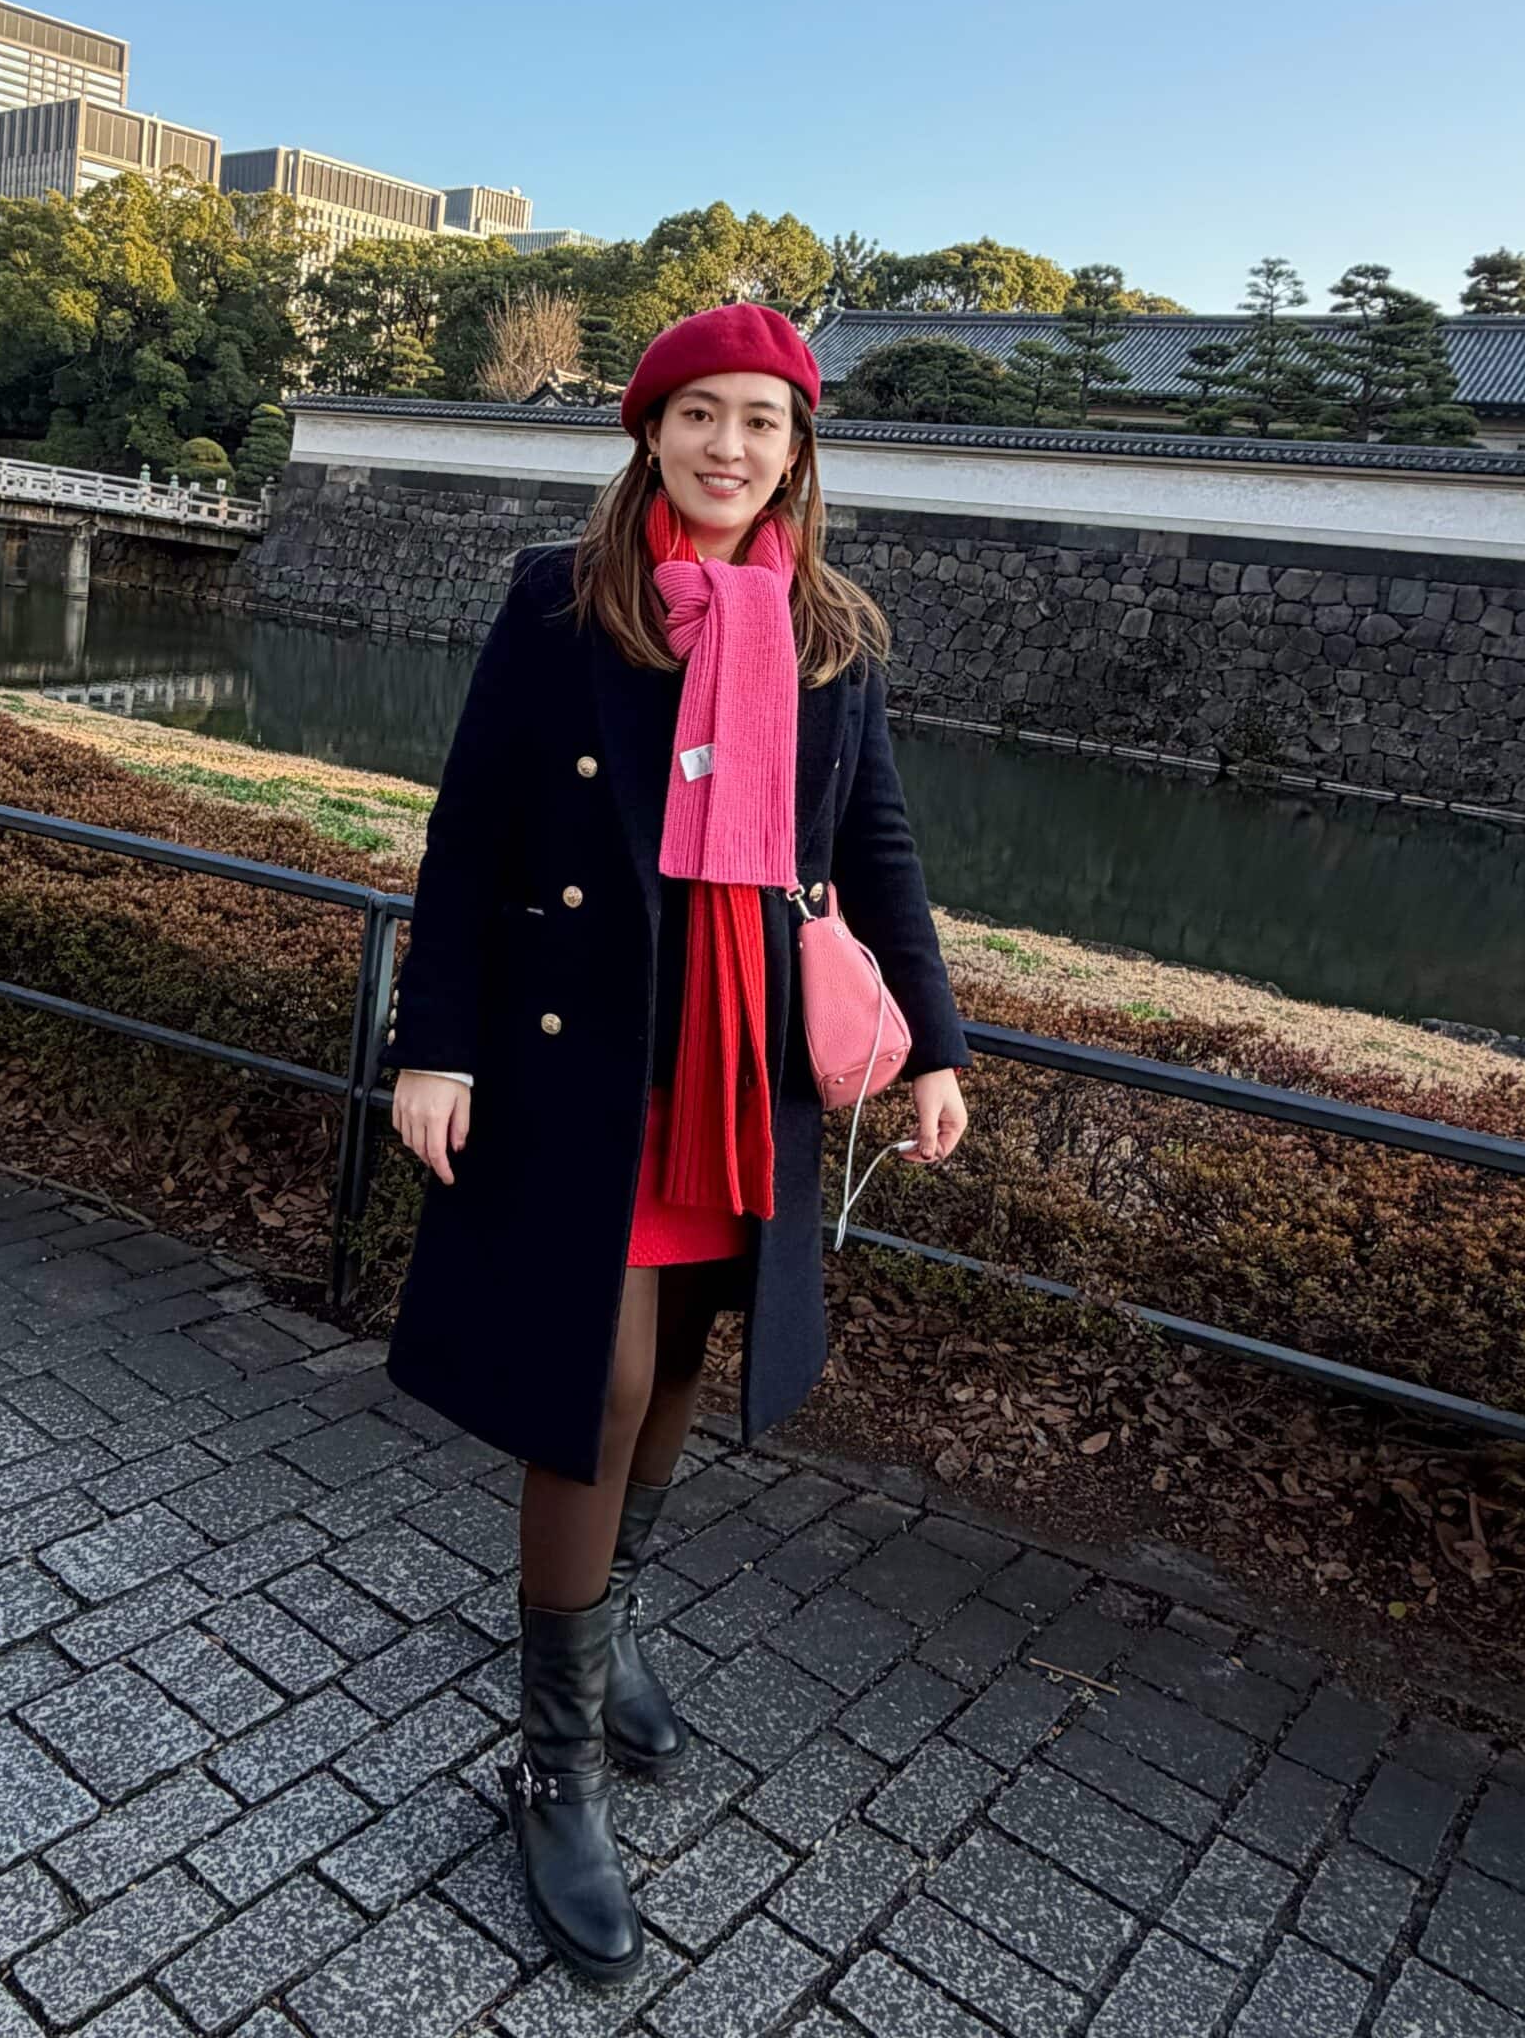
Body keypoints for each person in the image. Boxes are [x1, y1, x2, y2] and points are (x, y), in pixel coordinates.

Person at [380, 302, 971, 1983]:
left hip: (743, 1058)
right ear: (650, 430)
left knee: (688, 1360)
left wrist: (935, 1042)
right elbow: (470, 827)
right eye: (700, 413)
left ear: (798, 451)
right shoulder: (562, 600)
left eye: (762, 422)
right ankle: (553, 1762)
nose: (730, 446)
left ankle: (609, 1630)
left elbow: (875, 839)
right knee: (603, 1379)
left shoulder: (829, 628)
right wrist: (435, 1043)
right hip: (586, 1056)